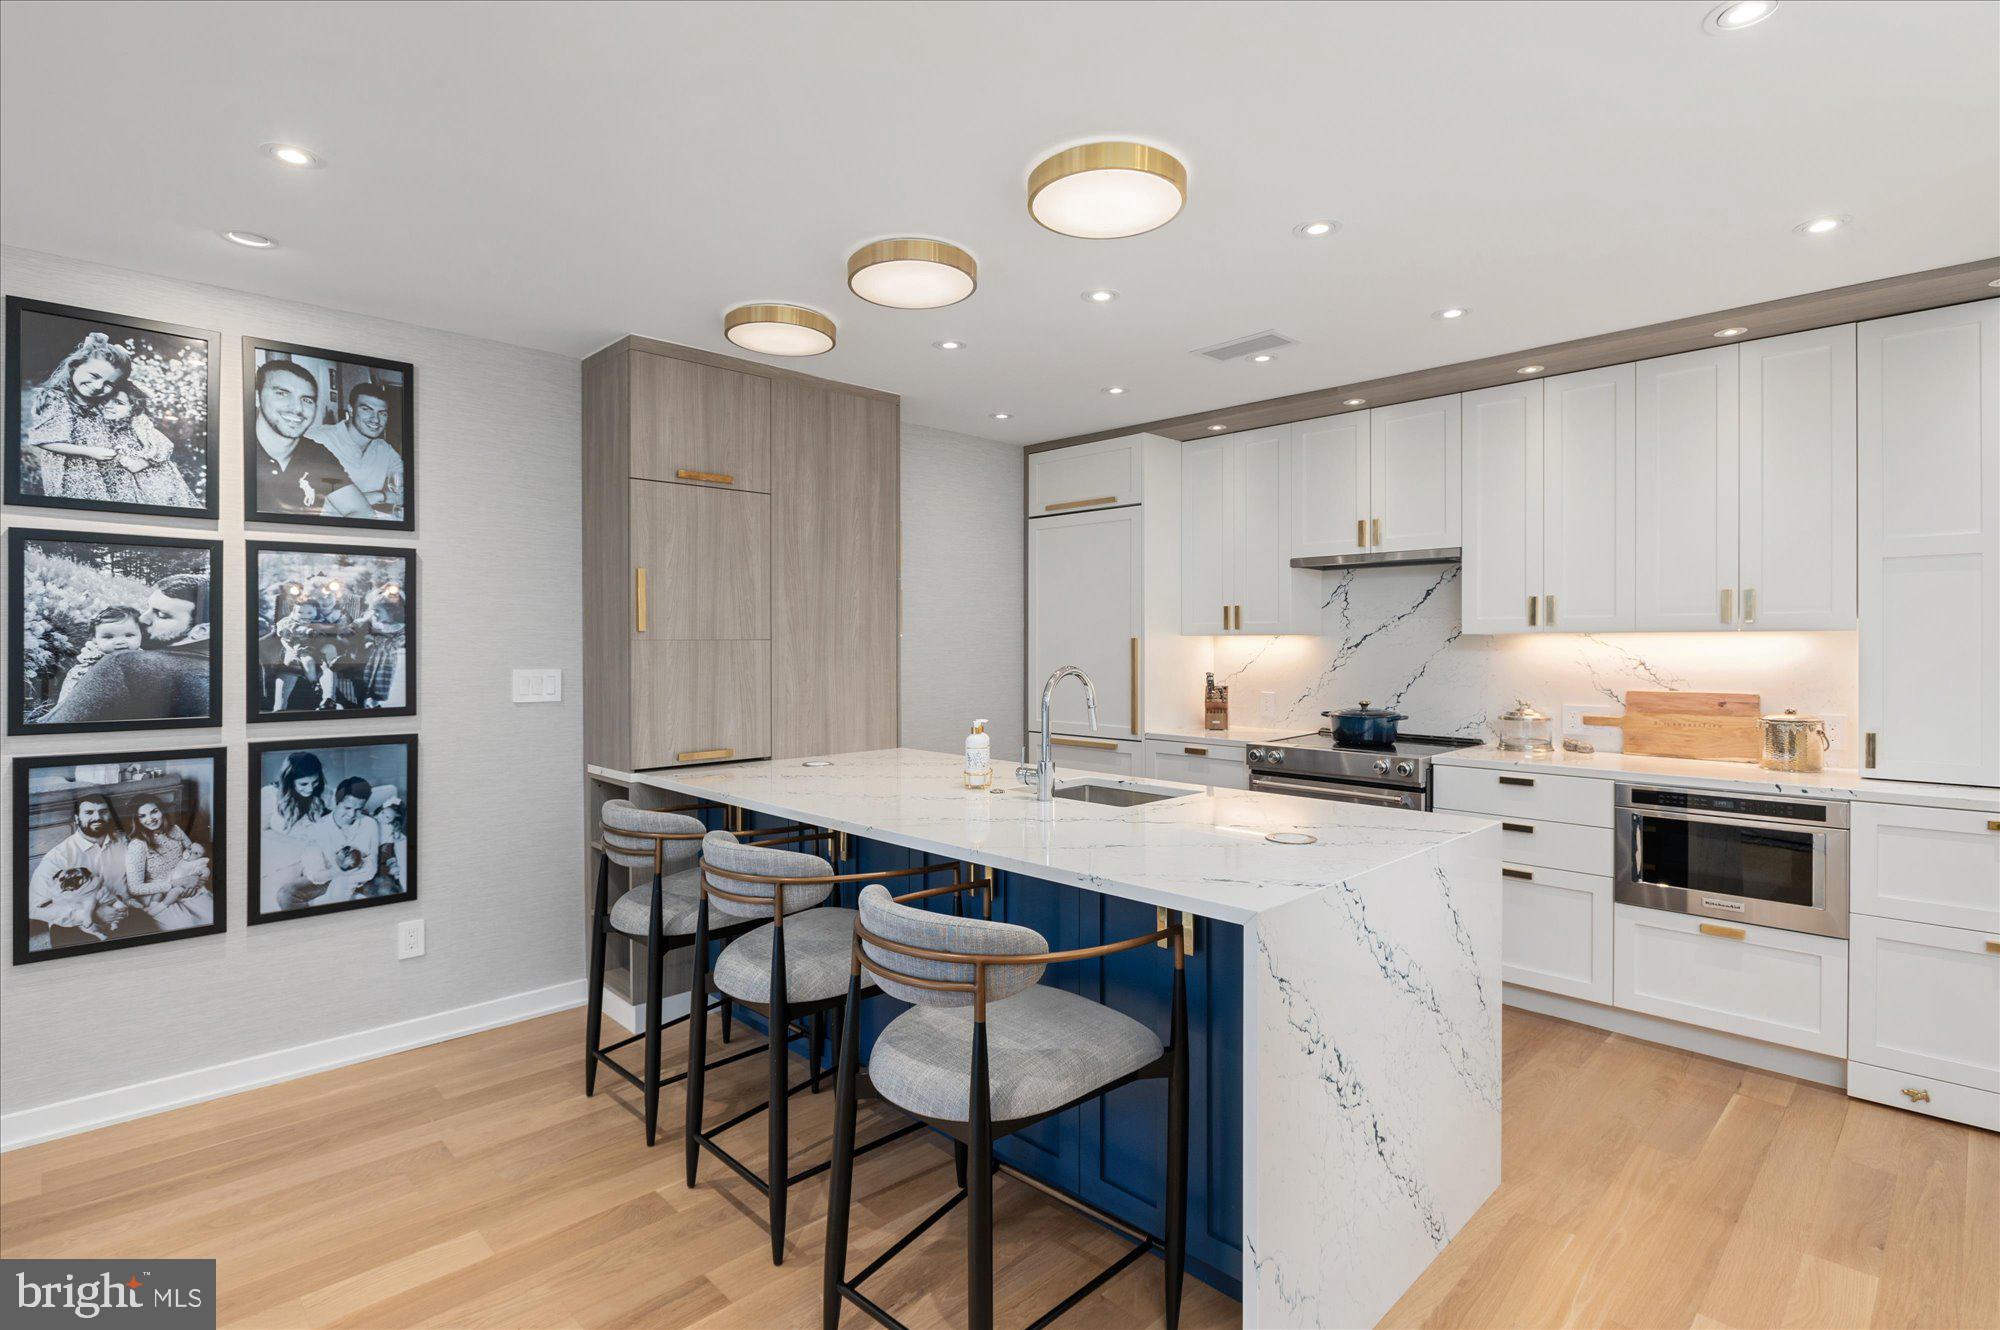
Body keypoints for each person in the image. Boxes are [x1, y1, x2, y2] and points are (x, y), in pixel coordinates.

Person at [39, 573, 212, 725]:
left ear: (201, 630)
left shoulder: (122, 664)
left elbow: (52, 731)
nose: (143, 619)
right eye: (148, 608)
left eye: (161, 615)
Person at [20, 332, 138, 502]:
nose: (98, 386)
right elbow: (42, 440)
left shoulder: (100, 402)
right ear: (75, 365)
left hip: (99, 471)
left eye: (109, 383)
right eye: (94, 376)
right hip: (70, 473)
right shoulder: (56, 399)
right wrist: (89, 452)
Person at [249, 360, 373, 518]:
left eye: (307, 400)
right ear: (257, 397)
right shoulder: (233, 447)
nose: (297, 408)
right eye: (282, 393)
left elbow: (362, 511)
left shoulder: (317, 455)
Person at [25, 793, 146, 949]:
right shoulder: (58, 857)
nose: (97, 817)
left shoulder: (124, 842)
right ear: (76, 819)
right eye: (89, 813)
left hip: (123, 912)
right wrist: (91, 915)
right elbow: (34, 907)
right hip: (74, 924)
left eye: (103, 811)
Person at [310, 381, 404, 517]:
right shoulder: (318, 439)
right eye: (366, 410)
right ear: (351, 410)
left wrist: (378, 496)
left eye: (382, 413)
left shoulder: (384, 449)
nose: (375, 420)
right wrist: (369, 499)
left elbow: (408, 492)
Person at [122, 799, 214, 931]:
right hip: (157, 894)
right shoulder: (137, 845)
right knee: (185, 925)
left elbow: (194, 857)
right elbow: (135, 888)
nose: (150, 819)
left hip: (186, 885)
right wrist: (174, 884)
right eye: (142, 816)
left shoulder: (175, 830)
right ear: (136, 820)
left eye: (154, 812)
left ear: (162, 811)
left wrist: (195, 882)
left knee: (211, 917)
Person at [97, 387, 197, 508]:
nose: (108, 406)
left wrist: (143, 462)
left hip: (151, 483)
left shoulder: (138, 424)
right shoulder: (98, 424)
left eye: (119, 403)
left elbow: (165, 444)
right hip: (121, 484)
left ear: (132, 408)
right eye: (104, 400)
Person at [303, 777, 381, 905]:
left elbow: (371, 866)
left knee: (386, 891)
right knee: (287, 893)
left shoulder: (370, 824)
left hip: (362, 879)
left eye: (358, 809)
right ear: (336, 801)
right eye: (347, 808)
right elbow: (315, 874)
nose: (351, 815)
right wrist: (339, 873)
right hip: (328, 879)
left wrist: (348, 879)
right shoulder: (317, 828)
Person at [51, 605, 144, 710]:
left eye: (129, 635)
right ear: (95, 639)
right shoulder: (86, 668)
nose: (120, 642)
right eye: (108, 637)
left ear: (141, 634)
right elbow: (66, 705)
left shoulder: (148, 661)